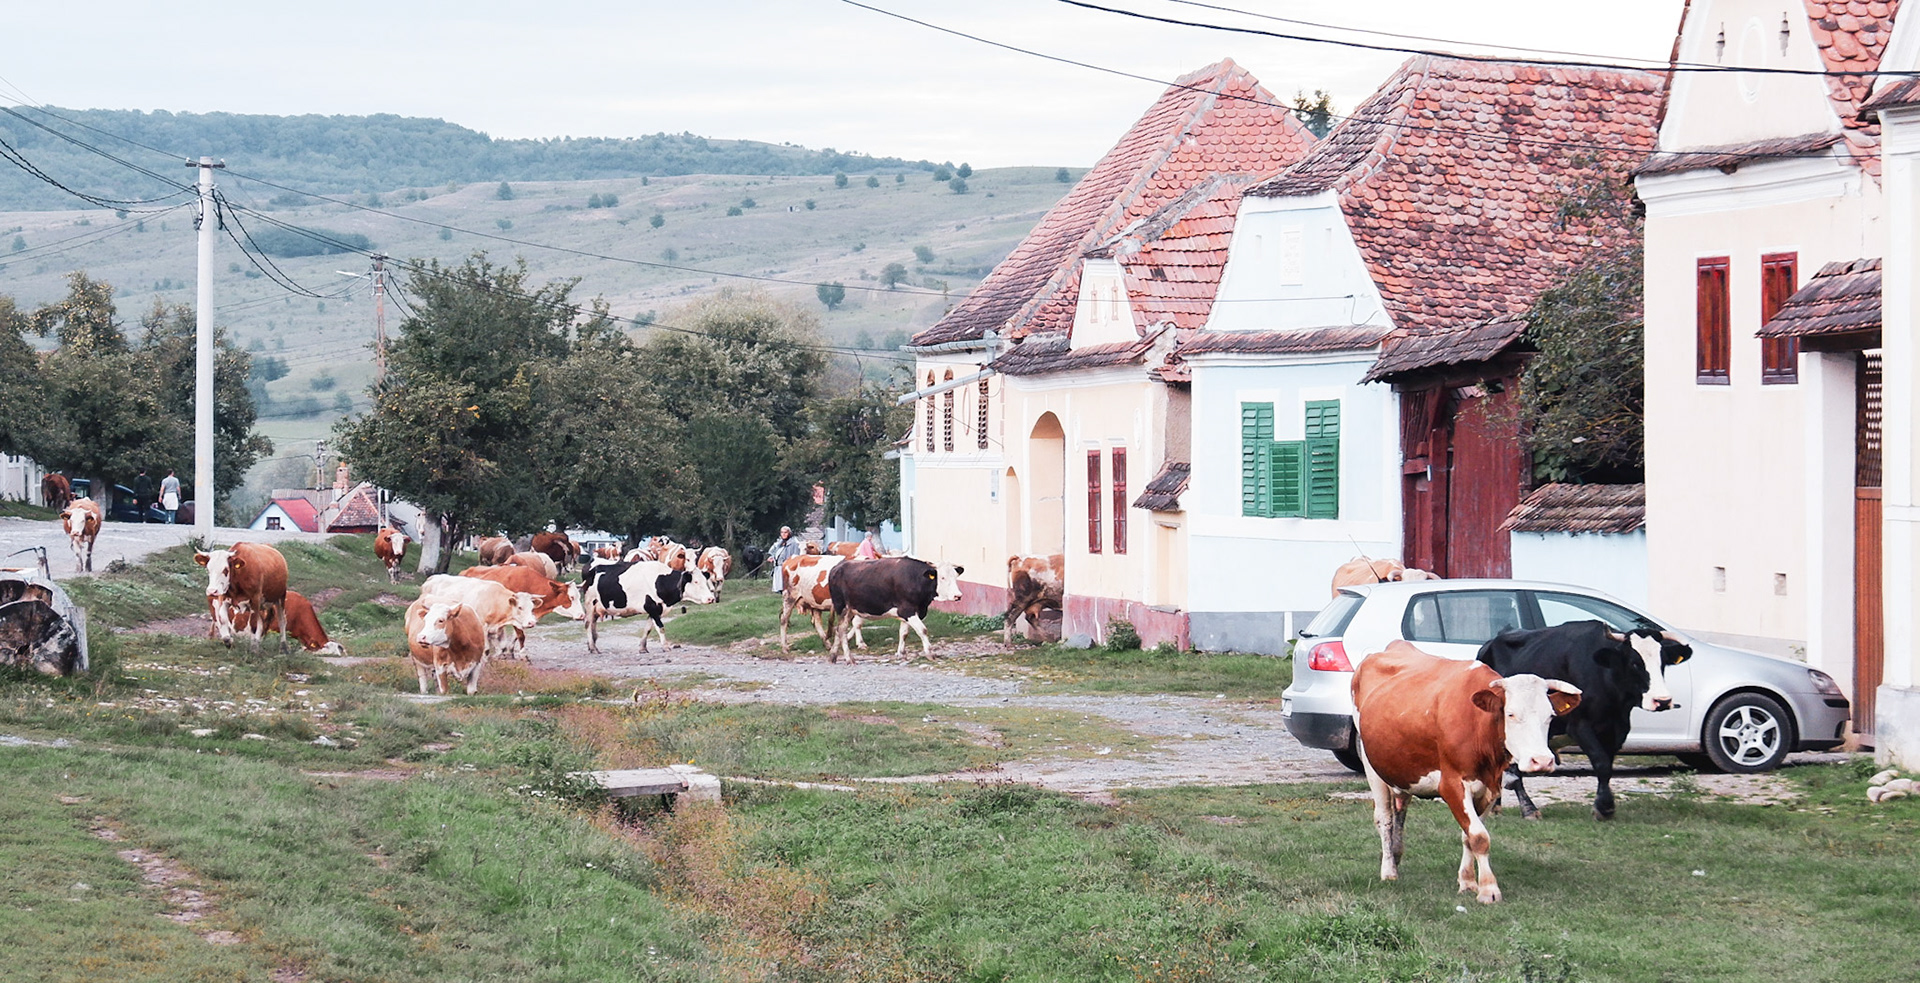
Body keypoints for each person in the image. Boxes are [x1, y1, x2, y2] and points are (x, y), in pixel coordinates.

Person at [767, 526, 803, 592]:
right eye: (782, 532)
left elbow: (796, 557)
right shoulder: (780, 543)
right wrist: (772, 558)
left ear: (789, 533)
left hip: (787, 568)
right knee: (779, 587)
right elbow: (775, 552)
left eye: (785, 532)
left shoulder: (794, 543)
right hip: (778, 567)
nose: (783, 534)